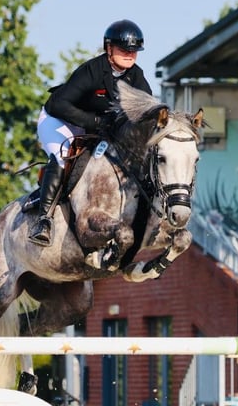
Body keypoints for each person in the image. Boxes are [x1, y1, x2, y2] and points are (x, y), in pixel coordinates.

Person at [28, 19, 153, 246]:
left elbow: (146, 113)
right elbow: (59, 105)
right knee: (61, 155)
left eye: (134, 51)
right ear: (109, 48)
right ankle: (43, 220)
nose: (130, 54)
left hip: (96, 128)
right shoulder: (92, 71)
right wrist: (95, 122)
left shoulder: (136, 76)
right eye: (124, 49)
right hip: (59, 120)